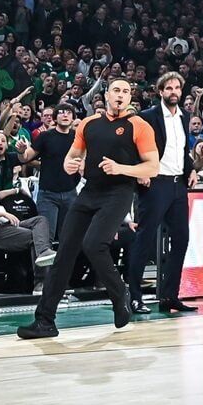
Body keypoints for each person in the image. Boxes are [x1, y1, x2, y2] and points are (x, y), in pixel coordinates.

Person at [18, 79, 160, 339]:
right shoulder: (88, 123)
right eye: (116, 90)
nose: (121, 95)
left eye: (126, 92)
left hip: (119, 192)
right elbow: (72, 157)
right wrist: (70, 165)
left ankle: (121, 294)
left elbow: (152, 167)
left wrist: (122, 169)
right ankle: (45, 321)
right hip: (89, 191)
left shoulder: (139, 126)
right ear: (106, 94)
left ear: (130, 98)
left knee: (94, 244)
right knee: (64, 254)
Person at [126, 72, 195, 316]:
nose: (174, 92)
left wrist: (191, 169)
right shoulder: (148, 117)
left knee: (181, 240)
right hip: (155, 183)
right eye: (169, 88)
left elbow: (184, 148)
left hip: (178, 185)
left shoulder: (185, 116)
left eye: (177, 87)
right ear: (160, 91)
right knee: (144, 239)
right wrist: (140, 172)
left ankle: (169, 296)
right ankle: (134, 297)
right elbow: (134, 147)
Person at [18, 102, 80, 242]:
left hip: (71, 192)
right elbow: (26, 157)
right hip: (48, 194)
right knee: (46, 237)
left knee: (68, 237)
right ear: (54, 118)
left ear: (73, 118)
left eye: (69, 112)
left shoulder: (78, 138)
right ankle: (44, 264)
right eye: (61, 112)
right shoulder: (46, 136)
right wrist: (21, 151)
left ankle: (64, 264)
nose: (65, 115)